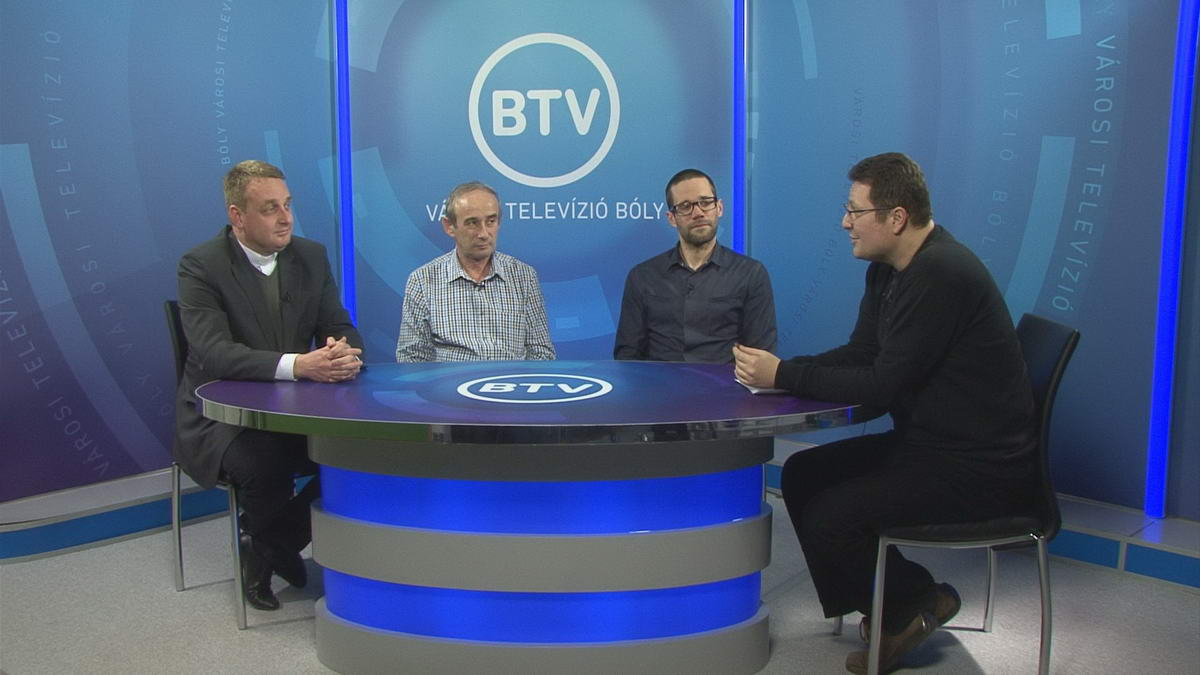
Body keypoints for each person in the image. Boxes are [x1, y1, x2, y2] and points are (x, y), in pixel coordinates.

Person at [733, 152, 1038, 674]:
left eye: (855, 211)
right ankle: (891, 607)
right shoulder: (888, 271)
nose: (844, 222)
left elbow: (880, 388)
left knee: (833, 517)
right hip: (928, 445)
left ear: (896, 217)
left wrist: (784, 375)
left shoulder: (941, 273)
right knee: (802, 474)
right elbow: (863, 353)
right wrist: (782, 372)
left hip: (980, 467)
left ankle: (915, 601)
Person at [173, 160, 364, 612]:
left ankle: (270, 543)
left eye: (288, 205)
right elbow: (215, 354)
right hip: (222, 419)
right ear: (237, 216)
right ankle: (267, 558)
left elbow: (338, 324)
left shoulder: (310, 256)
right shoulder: (201, 266)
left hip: (293, 410)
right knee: (266, 463)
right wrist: (301, 365)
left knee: (357, 452)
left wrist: (341, 350)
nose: (286, 218)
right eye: (270, 209)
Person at [613, 168, 776, 362]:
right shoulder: (642, 277)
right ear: (672, 218)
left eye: (705, 202)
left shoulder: (751, 274)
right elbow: (627, 357)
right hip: (660, 381)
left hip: (725, 381)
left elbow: (760, 358)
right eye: (685, 206)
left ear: (719, 208)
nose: (698, 213)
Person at [396, 181, 555, 362]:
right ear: (449, 226)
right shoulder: (423, 280)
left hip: (511, 379)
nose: (484, 233)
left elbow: (541, 353)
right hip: (449, 380)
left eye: (491, 221)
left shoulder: (524, 277)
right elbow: (411, 358)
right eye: (472, 223)